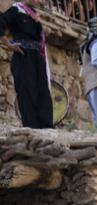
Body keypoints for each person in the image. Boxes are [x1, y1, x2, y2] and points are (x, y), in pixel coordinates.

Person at [0, 0, 53, 129]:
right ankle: (32, 128)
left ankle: (47, 128)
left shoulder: (34, 15)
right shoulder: (16, 10)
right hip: (23, 55)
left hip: (37, 58)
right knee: (27, 92)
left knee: (43, 91)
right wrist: (8, 44)